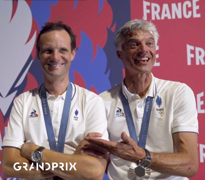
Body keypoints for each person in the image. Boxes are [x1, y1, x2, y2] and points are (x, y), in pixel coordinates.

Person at [85, 19, 199, 180]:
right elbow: (95, 158)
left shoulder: (178, 93)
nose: (144, 50)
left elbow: (190, 165)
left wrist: (141, 156)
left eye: (149, 43)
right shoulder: (101, 101)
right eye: (134, 45)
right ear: (119, 54)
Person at [1, 21, 108, 180]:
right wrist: (73, 163)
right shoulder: (23, 102)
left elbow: (94, 171)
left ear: (73, 53)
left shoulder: (92, 102)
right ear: (38, 54)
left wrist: (33, 151)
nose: (55, 57)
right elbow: (10, 166)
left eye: (63, 50)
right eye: (48, 51)